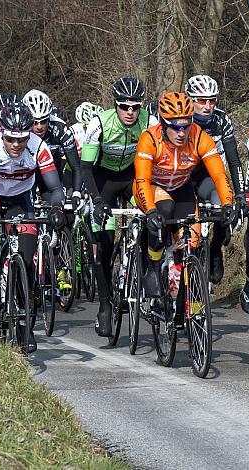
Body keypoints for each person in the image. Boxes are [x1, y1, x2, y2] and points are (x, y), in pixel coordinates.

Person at [0, 103, 66, 352]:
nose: (16, 144)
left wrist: (57, 210)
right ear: (2, 132)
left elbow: (55, 188)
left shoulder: (38, 147)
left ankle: (24, 322)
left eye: (22, 139)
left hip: (21, 199)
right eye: (11, 139)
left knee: (26, 258)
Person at [133, 92, 233, 299]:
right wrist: (151, 211)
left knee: (193, 241)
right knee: (164, 210)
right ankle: (152, 265)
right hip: (152, 187)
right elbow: (141, 179)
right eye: (175, 127)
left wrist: (227, 204)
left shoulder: (198, 137)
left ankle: (187, 303)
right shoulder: (150, 138)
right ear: (163, 124)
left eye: (186, 126)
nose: (181, 133)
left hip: (181, 188)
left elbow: (219, 175)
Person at [81, 76, 158, 337]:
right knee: (105, 243)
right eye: (124, 107)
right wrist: (98, 200)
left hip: (131, 178)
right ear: (115, 105)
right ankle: (104, 305)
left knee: (152, 213)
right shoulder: (99, 123)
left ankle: (147, 265)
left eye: (135, 107)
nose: (130, 112)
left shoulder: (150, 121)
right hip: (103, 180)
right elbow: (85, 167)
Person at [185, 74, 245, 284]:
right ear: (190, 100)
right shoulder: (181, 120)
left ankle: (216, 249)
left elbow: (234, 161)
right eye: (202, 101)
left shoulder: (221, 120)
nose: (208, 106)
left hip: (208, 176)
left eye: (212, 100)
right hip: (182, 177)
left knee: (222, 206)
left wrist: (240, 195)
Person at [22, 89, 83, 210]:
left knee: (59, 212)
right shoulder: (21, 128)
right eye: (35, 122)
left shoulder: (60, 128)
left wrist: (77, 192)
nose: (39, 127)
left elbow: (76, 166)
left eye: (43, 121)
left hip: (51, 173)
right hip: (27, 173)